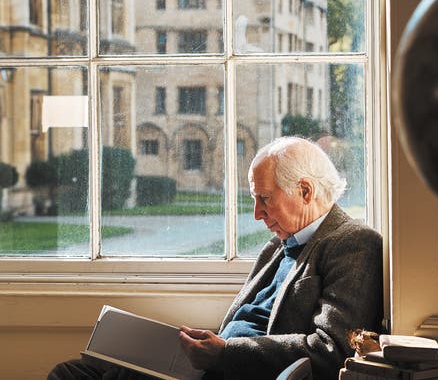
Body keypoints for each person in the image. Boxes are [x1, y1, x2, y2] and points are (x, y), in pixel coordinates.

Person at [48, 136, 383, 380]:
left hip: (234, 372)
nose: (256, 214)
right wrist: (208, 346)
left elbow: (331, 350)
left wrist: (224, 352)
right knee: (75, 371)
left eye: (264, 199)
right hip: (213, 366)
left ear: (306, 192)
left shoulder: (354, 243)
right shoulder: (277, 246)